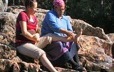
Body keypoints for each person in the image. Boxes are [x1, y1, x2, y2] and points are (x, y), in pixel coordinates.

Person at [41, 0, 86, 71]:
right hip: (51, 41)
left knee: (73, 42)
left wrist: (74, 36)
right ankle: (74, 65)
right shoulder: (50, 15)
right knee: (59, 45)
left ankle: (77, 64)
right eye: (59, 9)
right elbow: (55, 27)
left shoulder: (65, 18)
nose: (62, 11)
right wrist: (67, 32)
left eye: (63, 9)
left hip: (64, 39)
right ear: (55, 7)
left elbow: (70, 30)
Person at [15, 0, 58, 72]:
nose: (36, 10)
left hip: (33, 43)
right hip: (22, 44)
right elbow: (24, 32)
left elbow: (37, 30)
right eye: (35, 8)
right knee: (41, 53)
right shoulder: (22, 15)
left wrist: (37, 34)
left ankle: (70, 39)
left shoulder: (34, 17)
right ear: (28, 7)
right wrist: (33, 37)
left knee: (50, 37)